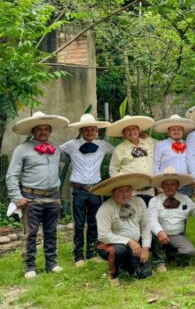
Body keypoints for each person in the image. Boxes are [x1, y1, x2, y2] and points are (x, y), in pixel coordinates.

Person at [6, 111, 69, 278]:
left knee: (51, 231)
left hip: (53, 197)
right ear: (33, 131)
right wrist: (17, 197)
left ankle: (52, 263)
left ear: (50, 131)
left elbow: (73, 155)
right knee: (31, 233)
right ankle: (30, 266)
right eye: (39, 129)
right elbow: (11, 175)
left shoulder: (56, 148)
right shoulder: (22, 149)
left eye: (46, 129)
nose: (43, 132)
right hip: (31, 198)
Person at [61, 114, 114, 267]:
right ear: (81, 130)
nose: (90, 132)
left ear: (97, 131)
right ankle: (78, 256)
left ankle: (91, 253)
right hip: (78, 190)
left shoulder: (103, 145)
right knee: (78, 224)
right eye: (87, 130)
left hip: (96, 190)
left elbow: (119, 150)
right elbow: (56, 153)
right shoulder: (71, 145)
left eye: (93, 130)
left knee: (94, 222)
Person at [92, 173, 154, 284]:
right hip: (108, 245)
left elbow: (145, 226)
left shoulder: (139, 202)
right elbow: (103, 235)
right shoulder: (105, 208)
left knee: (145, 273)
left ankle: (126, 265)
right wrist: (129, 241)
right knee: (119, 251)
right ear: (112, 192)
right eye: (120, 191)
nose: (125, 194)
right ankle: (113, 275)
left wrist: (145, 248)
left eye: (128, 190)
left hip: (134, 245)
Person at [148, 168, 195, 272]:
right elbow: (152, 220)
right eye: (167, 184)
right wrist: (160, 232)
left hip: (177, 234)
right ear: (162, 186)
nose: (170, 187)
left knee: (190, 252)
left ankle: (172, 254)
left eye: (173, 184)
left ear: (177, 185)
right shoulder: (154, 201)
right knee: (153, 232)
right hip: (159, 235)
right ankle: (159, 261)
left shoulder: (185, 199)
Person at [107, 115, 156, 204]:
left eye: (134, 128)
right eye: (128, 130)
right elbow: (113, 170)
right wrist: (122, 187)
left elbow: (163, 149)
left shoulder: (149, 142)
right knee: (132, 216)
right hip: (131, 192)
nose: (131, 131)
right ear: (124, 133)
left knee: (149, 216)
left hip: (150, 190)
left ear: (139, 130)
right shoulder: (120, 149)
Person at [152, 114, 195, 197]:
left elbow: (193, 162)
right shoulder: (160, 145)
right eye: (173, 129)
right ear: (168, 131)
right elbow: (155, 166)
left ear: (183, 131)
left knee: (186, 209)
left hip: (186, 185)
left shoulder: (189, 144)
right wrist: (158, 185)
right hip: (167, 186)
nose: (176, 132)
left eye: (179, 129)